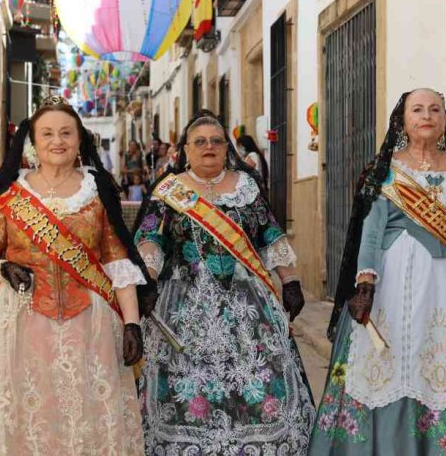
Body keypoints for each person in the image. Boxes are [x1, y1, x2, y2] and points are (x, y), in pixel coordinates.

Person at [0, 96, 153, 456]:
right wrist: (2, 268)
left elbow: (118, 264)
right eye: (47, 133)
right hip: (20, 324)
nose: (58, 141)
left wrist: (132, 324)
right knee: (28, 414)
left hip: (90, 328)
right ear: (33, 142)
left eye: (66, 133)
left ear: (79, 139)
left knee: (84, 416)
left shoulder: (96, 192)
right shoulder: (12, 194)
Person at [309, 89, 446, 455]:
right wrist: (365, 286)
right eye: (418, 110)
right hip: (398, 286)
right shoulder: (387, 170)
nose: (427, 116)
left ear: (444, 119)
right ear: (403, 120)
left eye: (435, 109)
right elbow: (372, 233)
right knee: (398, 362)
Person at [133, 110, 316, 454]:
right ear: (186, 149)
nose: (209, 147)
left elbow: (269, 232)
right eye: (200, 141)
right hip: (185, 302)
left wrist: (290, 280)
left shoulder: (246, 186)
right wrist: (149, 280)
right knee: (187, 380)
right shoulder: (169, 190)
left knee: (256, 376)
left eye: (216, 141)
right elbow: (150, 238)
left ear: (226, 148)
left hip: (246, 302)